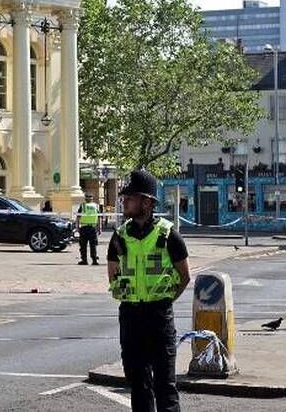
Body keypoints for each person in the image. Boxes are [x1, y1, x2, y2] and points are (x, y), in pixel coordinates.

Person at [107, 170, 190, 412]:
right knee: (138, 384)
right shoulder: (119, 237)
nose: (124, 202)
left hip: (158, 316)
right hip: (131, 316)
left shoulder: (168, 234)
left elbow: (185, 277)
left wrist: (163, 301)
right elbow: (113, 275)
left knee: (165, 385)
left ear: (147, 202)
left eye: (130, 198)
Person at [78, 199, 101, 265]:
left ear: (85, 199)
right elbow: (99, 217)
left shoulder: (83, 205)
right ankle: (94, 260)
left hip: (84, 227)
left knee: (83, 245)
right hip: (92, 227)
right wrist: (99, 228)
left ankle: (84, 260)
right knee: (93, 245)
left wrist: (77, 227)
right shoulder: (96, 206)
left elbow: (78, 216)